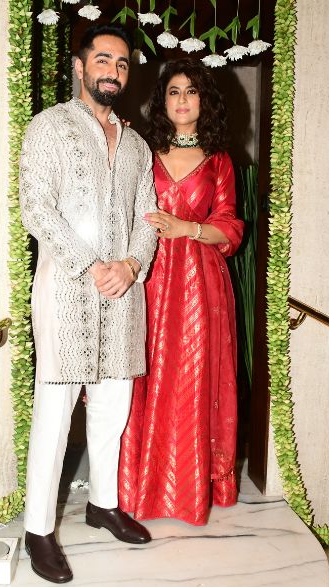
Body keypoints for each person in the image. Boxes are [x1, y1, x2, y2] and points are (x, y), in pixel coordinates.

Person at [18, 24, 158, 584]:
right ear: (80, 66)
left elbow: (148, 217)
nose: (113, 72)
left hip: (122, 294)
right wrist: (92, 263)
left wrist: (131, 266)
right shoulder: (48, 127)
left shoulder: (137, 145)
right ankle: (38, 529)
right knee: (54, 415)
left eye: (121, 64)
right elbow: (36, 207)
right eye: (103, 60)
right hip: (68, 291)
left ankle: (103, 504)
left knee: (111, 409)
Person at [118, 57, 244, 526]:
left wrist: (187, 228)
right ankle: (135, 488)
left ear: (204, 100)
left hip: (198, 284)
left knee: (190, 378)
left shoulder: (219, 159)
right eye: (174, 91)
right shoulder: (140, 151)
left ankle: (186, 492)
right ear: (162, 101)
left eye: (191, 91)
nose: (183, 100)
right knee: (142, 373)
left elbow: (231, 227)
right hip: (147, 277)